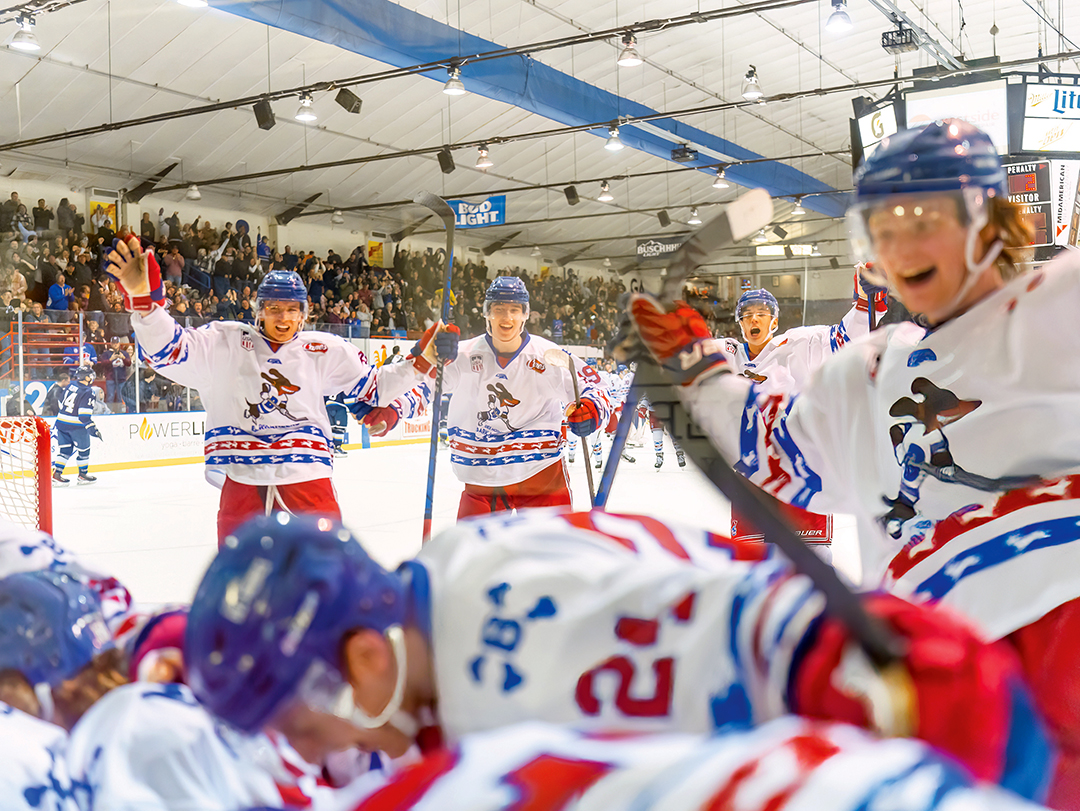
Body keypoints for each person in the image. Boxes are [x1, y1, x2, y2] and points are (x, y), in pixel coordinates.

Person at [620, 118, 1080, 808]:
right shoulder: (862, 373)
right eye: (881, 230)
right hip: (941, 678)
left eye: (921, 220)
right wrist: (690, 359)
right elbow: (768, 447)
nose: (899, 247)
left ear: (987, 218)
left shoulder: (1060, 305)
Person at [184, 511, 1050, 802]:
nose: (309, 750)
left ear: (366, 656)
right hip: (904, 673)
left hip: (919, 717)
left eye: (302, 720)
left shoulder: (506, 664)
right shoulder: (458, 566)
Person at [105, 237, 451, 542]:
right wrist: (146, 306)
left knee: (323, 581)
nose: (283, 319)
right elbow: (169, 353)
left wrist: (422, 362)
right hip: (242, 480)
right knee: (240, 590)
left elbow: (377, 388)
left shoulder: (326, 349)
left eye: (291, 310)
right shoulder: (226, 341)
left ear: (304, 313)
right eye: (273, 309)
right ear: (259, 311)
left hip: (308, 481)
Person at [386, 276, 611, 518]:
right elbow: (425, 387)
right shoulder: (461, 355)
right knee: (477, 555)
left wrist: (593, 409)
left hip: (541, 474)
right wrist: (394, 408)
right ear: (487, 314)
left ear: (525, 314)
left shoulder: (549, 355)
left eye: (515, 310)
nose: (507, 318)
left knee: (549, 553)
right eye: (499, 310)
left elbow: (597, 386)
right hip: (483, 478)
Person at [51, 365, 101, 485]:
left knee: (65, 450)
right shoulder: (88, 391)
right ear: (87, 377)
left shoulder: (70, 386)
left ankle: (57, 474)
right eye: (90, 375)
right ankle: (82, 475)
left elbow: (60, 402)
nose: (92, 377)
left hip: (61, 423)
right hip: (76, 426)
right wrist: (92, 427)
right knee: (84, 450)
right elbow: (83, 416)